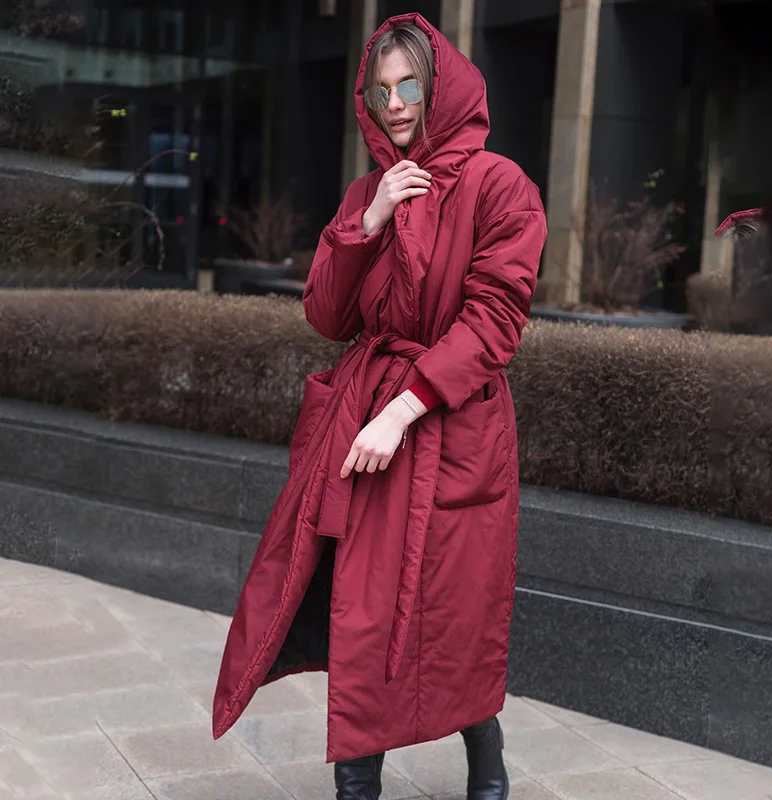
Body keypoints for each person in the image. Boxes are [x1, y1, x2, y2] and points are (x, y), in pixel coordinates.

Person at [213, 13, 547, 800]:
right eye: (381, 89)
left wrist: (403, 410)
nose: (394, 104)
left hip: (450, 427)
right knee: (358, 607)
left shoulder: (500, 184)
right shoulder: (371, 190)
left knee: (451, 615)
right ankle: (357, 787)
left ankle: (486, 754)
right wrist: (368, 223)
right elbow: (328, 316)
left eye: (410, 86)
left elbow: (494, 319)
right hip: (362, 421)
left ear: (441, 88)